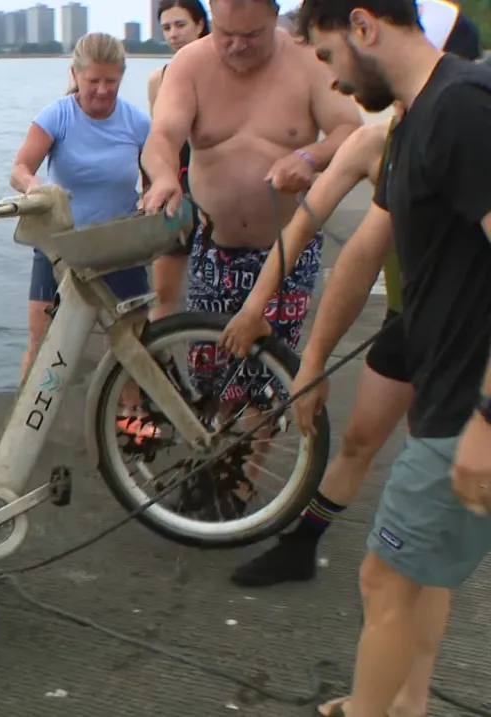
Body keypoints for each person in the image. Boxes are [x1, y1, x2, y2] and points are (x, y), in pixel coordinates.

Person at [220, 0, 482, 589]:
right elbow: (309, 228)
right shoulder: (377, 142)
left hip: (464, 332)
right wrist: (258, 307)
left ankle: (421, 578)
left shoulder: (461, 120)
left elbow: (364, 250)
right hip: (407, 316)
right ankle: (305, 545)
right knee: (360, 437)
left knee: (433, 463)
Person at [294, 2, 491, 716]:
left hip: (466, 406)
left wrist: (485, 422)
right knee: (424, 570)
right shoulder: (410, 124)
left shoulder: (461, 110)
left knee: (382, 575)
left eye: (328, 55)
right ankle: (405, 701)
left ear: (364, 25)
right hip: (444, 392)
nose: (333, 82)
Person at [140, 0, 363, 399]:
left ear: (274, 18)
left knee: (270, 385)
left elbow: (350, 129)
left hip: (287, 248)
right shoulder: (190, 65)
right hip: (214, 250)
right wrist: (163, 178)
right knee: (211, 381)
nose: (237, 46)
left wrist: (308, 155)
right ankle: (219, 458)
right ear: (212, 16)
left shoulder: (306, 59)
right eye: (226, 35)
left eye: (251, 36)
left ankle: (261, 460)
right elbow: (162, 137)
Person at [10, 33, 152, 431]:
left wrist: (155, 192)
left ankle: (131, 415)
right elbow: (19, 168)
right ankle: (22, 421)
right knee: (41, 341)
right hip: (62, 244)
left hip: (119, 243)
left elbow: (156, 174)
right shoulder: (56, 116)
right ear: (75, 75)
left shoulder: (137, 122)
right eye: (94, 81)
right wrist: (34, 187)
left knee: (131, 338)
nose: (103, 91)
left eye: (112, 82)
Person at [146, 0, 210, 321]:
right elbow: (158, 142)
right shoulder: (160, 79)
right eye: (167, 28)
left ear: (200, 24)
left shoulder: (223, 73)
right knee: (162, 297)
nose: (173, 34)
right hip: (178, 193)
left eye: (180, 25)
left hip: (218, 197)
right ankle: (156, 367)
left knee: (212, 295)